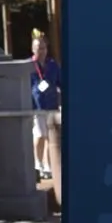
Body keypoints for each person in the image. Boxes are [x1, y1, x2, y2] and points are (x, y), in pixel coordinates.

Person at [30, 29, 62, 179]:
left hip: (52, 105)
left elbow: (60, 82)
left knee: (51, 137)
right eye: (38, 48)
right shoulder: (29, 66)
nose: (41, 51)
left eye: (43, 48)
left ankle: (49, 165)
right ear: (33, 49)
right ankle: (38, 164)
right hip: (37, 106)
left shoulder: (52, 64)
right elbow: (27, 87)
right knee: (40, 135)